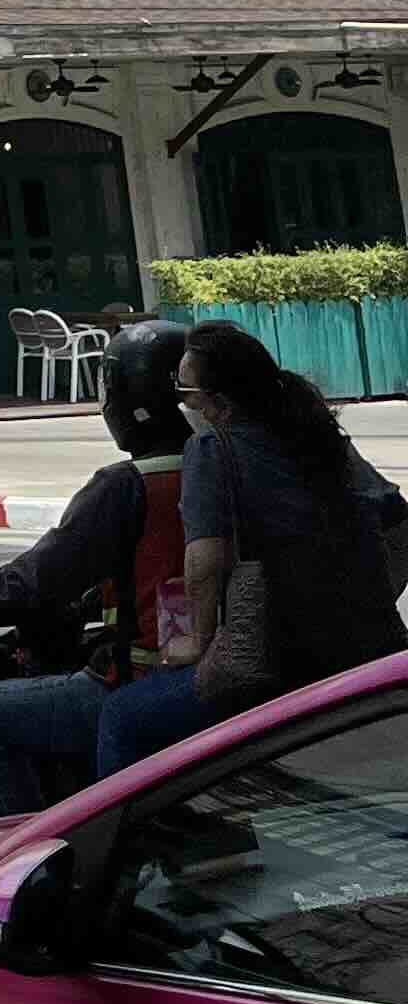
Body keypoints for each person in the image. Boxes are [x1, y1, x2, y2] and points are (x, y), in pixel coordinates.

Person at [94, 321, 408, 780]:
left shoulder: (211, 447)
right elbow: (398, 522)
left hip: (275, 661)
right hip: (363, 651)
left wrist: (197, 643)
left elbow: (205, 561)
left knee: (121, 717)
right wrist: (366, 590)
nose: (185, 406)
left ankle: (122, 849)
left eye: (187, 394)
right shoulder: (321, 439)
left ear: (217, 401)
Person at [0, 323, 195, 817]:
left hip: (142, 680)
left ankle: (25, 858)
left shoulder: (126, 484)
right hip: (213, 671)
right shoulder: (222, 462)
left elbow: (44, 574)